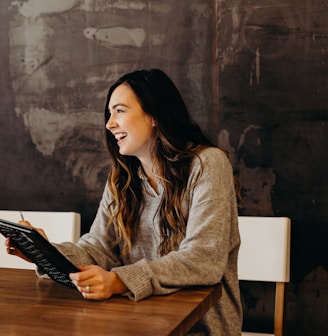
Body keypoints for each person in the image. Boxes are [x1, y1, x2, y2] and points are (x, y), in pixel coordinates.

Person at [6, 69, 242, 335]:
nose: (109, 124)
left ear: (154, 115)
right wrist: (46, 252)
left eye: (119, 111)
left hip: (198, 328)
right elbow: (99, 249)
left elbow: (203, 260)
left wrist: (119, 281)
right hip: (134, 322)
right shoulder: (122, 178)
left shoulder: (207, 164)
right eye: (109, 114)